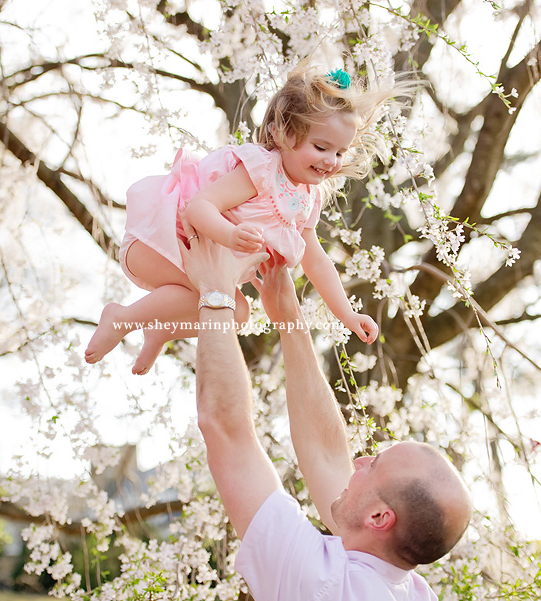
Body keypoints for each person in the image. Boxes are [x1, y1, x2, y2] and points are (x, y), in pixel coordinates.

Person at [179, 220, 473, 600]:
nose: (362, 459)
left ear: (380, 518)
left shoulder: (320, 583)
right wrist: (287, 314)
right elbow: (327, 455)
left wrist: (216, 290)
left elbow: (224, 428)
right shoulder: (409, 589)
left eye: (375, 465)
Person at [85, 64, 408, 373]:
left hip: (197, 268)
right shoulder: (262, 168)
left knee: (237, 313)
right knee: (214, 297)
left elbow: (318, 262)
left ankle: (162, 330)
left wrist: (347, 315)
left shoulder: (309, 199)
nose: (330, 161)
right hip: (162, 244)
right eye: (321, 147)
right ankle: (122, 318)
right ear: (282, 133)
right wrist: (229, 235)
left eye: (339, 153)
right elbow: (199, 206)